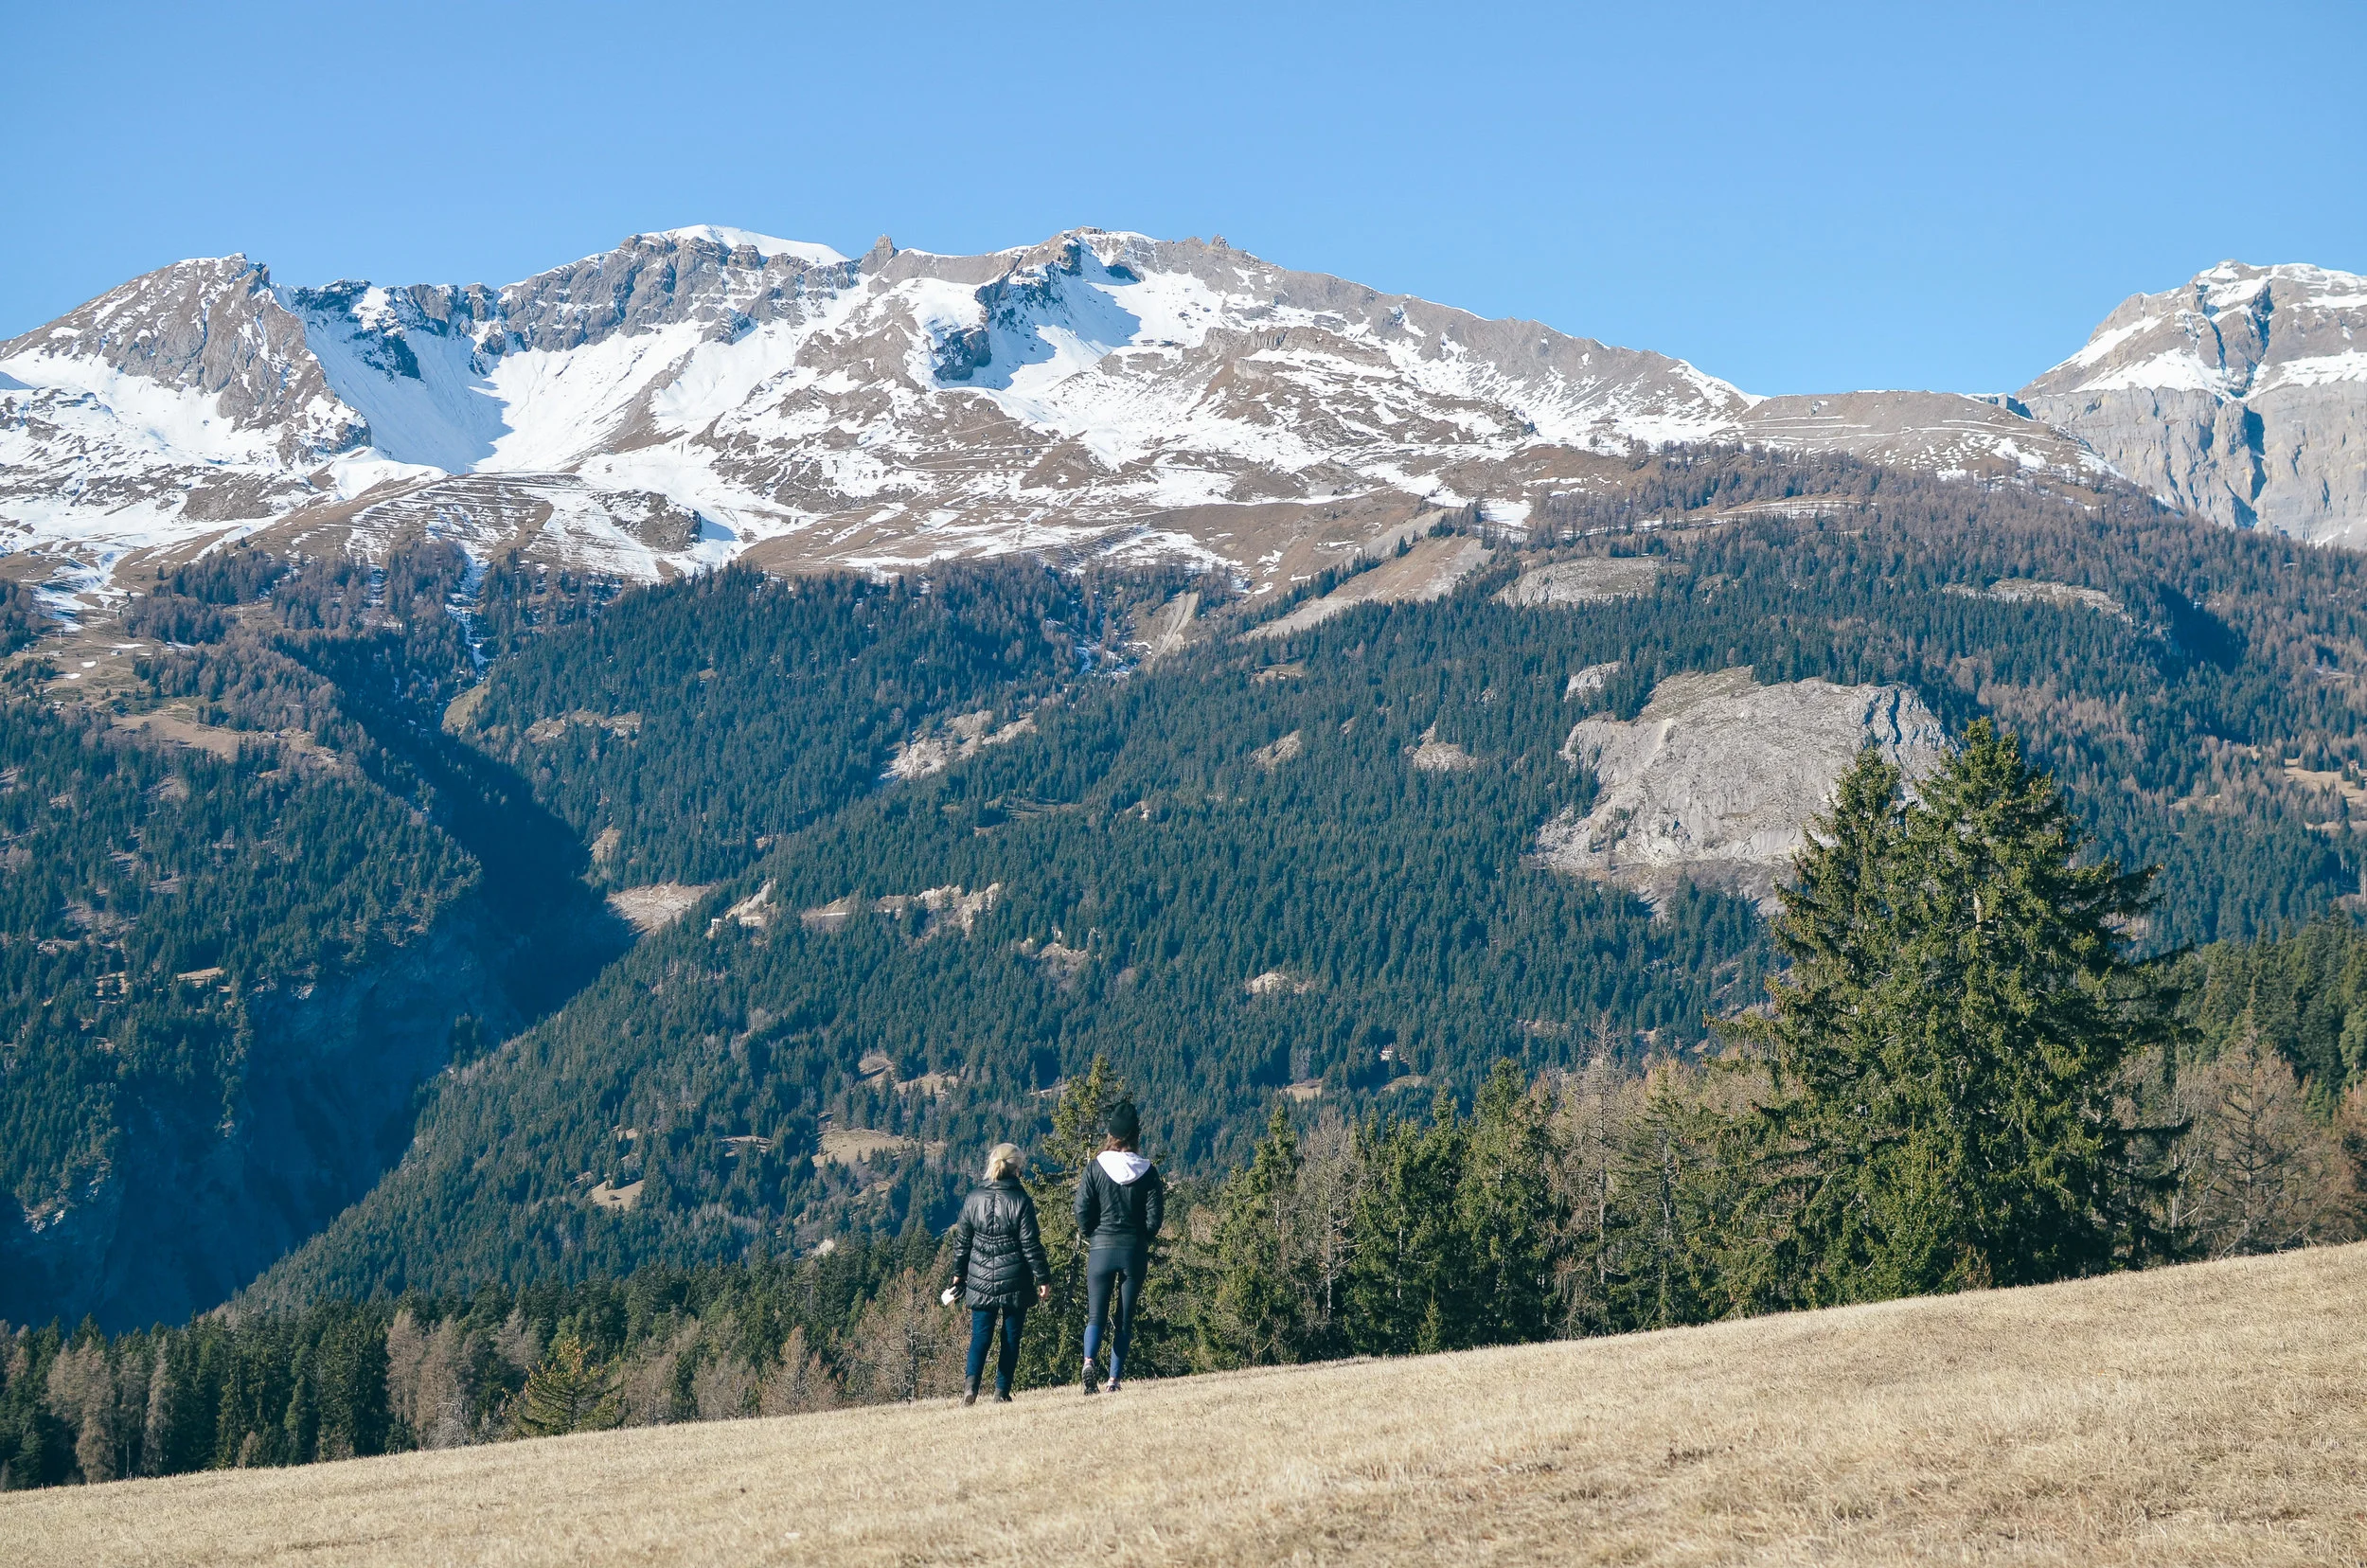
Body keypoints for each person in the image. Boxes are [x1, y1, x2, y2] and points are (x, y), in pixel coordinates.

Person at [949, 1142, 1051, 1405]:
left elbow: (962, 1242)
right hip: (1016, 1278)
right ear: (1018, 1169)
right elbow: (1031, 1244)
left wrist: (958, 1275)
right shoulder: (1021, 1200)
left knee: (980, 1336)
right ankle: (1001, 1392)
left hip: (980, 1279)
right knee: (1010, 1337)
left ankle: (970, 1388)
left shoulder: (973, 1198)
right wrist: (1042, 1277)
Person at [1074, 1101, 1165, 1394]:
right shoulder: (1148, 1173)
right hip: (1133, 1251)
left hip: (1101, 1248)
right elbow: (1154, 1219)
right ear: (1136, 1136)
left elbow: (1081, 1210)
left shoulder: (1095, 1168)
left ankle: (1089, 1361)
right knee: (1124, 1319)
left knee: (1095, 1316)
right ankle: (1113, 1380)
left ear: (1111, 1134)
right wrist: (1142, 1239)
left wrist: (1092, 1234)